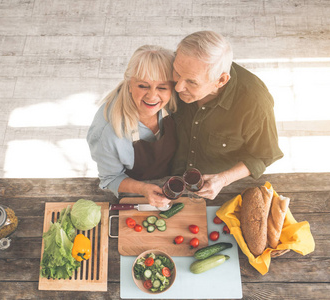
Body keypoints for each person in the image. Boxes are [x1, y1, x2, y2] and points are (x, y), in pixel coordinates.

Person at [171, 31, 283, 200]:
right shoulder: (181, 66)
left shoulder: (255, 103)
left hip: (216, 191)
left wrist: (223, 179)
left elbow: (263, 155)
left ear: (221, 80)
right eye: (177, 73)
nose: (178, 87)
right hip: (166, 178)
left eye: (192, 82)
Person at [87, 45, 178, 207]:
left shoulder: (179, 100)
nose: (152, 96)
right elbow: (111, 178)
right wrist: (143, 189)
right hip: (137, 193)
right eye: (143, 86)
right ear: (129, 83)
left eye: (162, 87)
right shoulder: (107, 130)